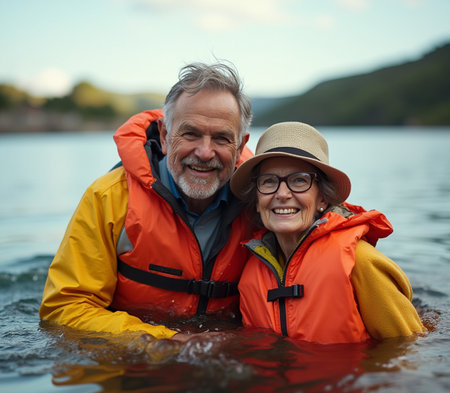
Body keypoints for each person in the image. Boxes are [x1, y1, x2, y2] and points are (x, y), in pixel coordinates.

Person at [40, 62, 254, 342]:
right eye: (190, 133)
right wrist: (163, 342)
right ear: (165, 136)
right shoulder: (109, 197)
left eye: (222, 138)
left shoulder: (262, 205)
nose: (204, 152)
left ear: (240, 145)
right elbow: (63, 309)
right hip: (133, 366)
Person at [230, 121, 426, 344]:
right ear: (257, 200)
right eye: (268, 181)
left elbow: (409, 352)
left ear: (322, 198)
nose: (282, 193)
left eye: (299, 180)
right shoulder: (250, 271)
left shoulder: (360, 262)